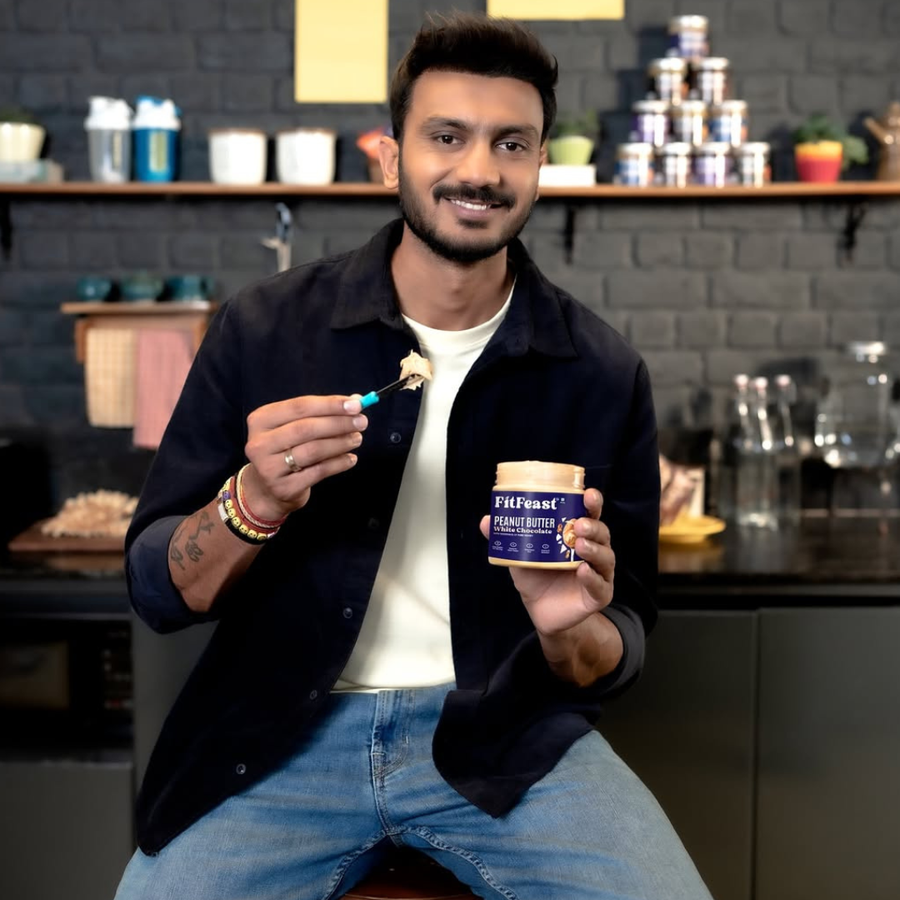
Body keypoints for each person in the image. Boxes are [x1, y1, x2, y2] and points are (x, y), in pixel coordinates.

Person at [115, 13, 712, 900]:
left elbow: (618, 647)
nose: (479, 169)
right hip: (277, 737)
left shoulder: (600, 371)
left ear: (539, 165)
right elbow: (159, 588)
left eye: (511, 142)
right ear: (391, 157)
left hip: (509, 741)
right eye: (446, 137)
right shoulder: (266, 328)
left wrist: (569, 629)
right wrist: (254, 503)